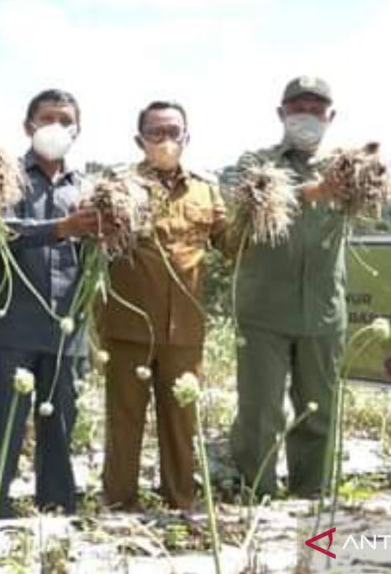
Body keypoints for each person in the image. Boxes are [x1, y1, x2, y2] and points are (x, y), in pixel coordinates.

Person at [0, 89, 102, 518]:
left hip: (66, 326)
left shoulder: (87, 187)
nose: (57, 127)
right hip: (11, 328)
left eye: (66, 120)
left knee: (62, 425)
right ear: (28, 125)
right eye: (48, 118)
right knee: (5, 424)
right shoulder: (3, 176)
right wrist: (63, 227)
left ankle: (58, 510)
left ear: (77, 130)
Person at [99, 101, 227, 510]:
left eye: (173, 131)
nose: (165, 140)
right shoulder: (119, 188)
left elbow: (231, 243)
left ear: (187, 137)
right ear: (140, 140)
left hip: (184, 328)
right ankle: (119, 504)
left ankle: (182, 502)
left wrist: (262, 214)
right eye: (156, 132)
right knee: (124, 420)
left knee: (181, 421)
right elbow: (93, 240)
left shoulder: (207, 189)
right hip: (128, 325)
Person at [228, 76, 345, 498]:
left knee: (319, 409)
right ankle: (255, 490)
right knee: (261, 409)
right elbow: (248, 204)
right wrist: (313, 192)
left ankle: (311, 493)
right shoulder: (255, 163)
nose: (307, 116)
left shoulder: (345, 168)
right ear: (281, 113)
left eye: (316, 109)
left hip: (323, 308)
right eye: (298, 108)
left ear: (331, 116)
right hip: (264, 308)